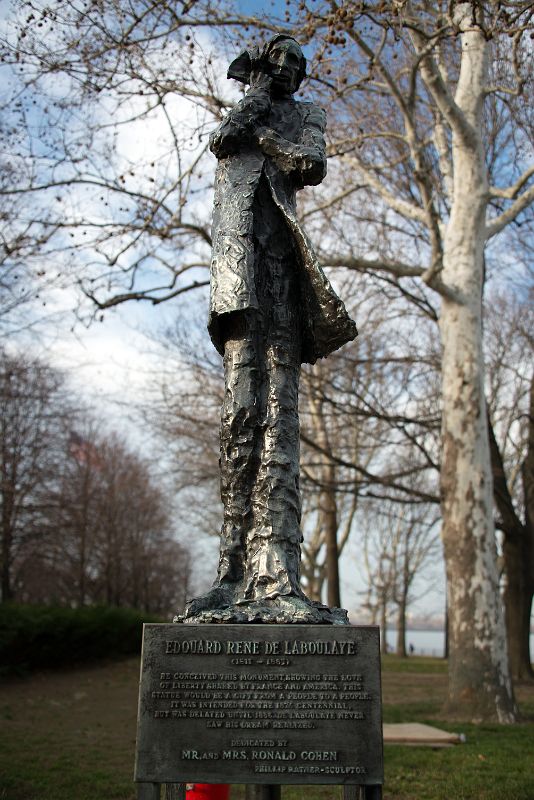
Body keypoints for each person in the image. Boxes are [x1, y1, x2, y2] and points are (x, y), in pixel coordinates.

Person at [183, 35, 357, 623]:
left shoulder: (306, 115)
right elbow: (222, 139)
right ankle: (231, 573)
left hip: (283, 276)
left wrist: (268, 138)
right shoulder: (248, 107)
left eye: (299, 65)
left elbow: (310, 164)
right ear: (265, 64)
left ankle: (279, 573)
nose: (292, 72)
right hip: (240, 282)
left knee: (279, 416)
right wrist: (255, 94)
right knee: (240, 417)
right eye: (282, 61)